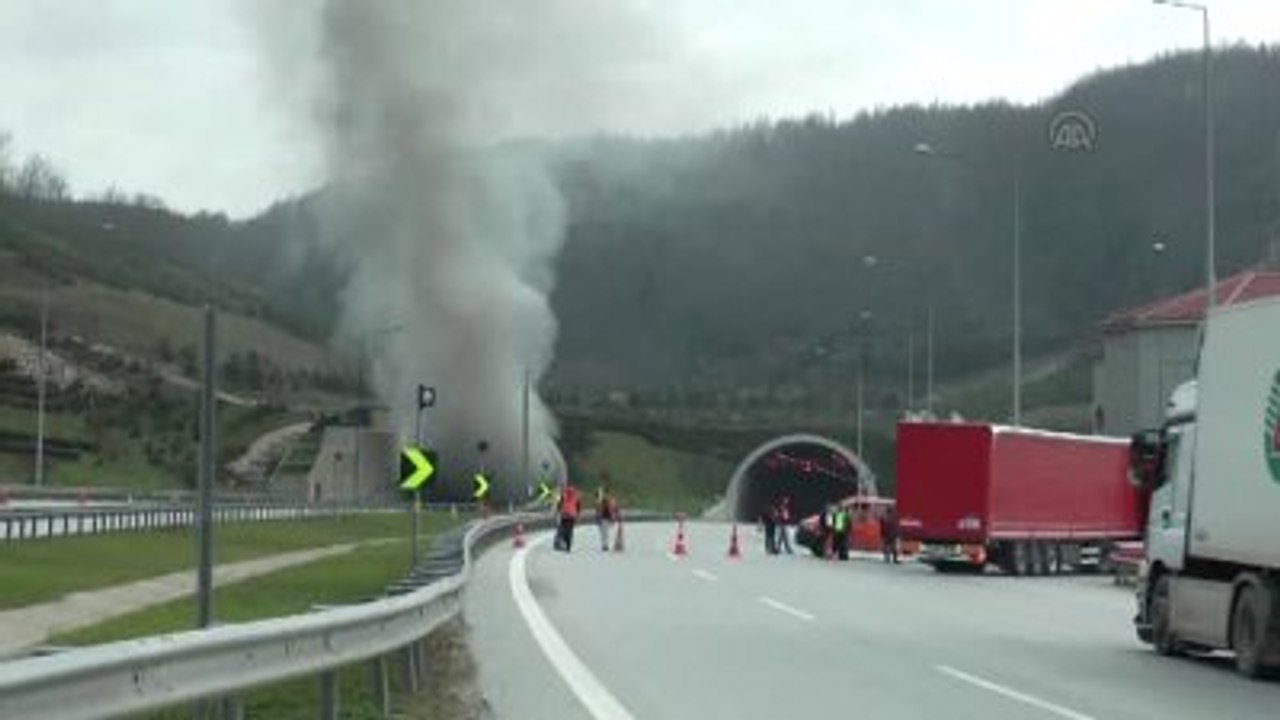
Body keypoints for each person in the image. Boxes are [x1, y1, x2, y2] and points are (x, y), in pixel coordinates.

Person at [555, 483, 581, 552]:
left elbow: (578, 507)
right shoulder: (563, 496)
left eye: (571, 491)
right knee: (564, 531)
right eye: (569, 491)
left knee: (569, 531)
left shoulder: (576, 497)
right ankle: (567, 543)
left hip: (571, 516)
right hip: (564, 516)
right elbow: (559, 505)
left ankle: (568, 545)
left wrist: (578, 515)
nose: (570, 492)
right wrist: (558, 511)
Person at [596, 486, 617, 552]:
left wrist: (613, 518)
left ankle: (605, 545)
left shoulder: (609, 500)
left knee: (604, 532)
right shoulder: (601, 500)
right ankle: (604, 544)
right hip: (603, 518)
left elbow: (614, 509)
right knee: (603, 532)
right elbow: (597, 509)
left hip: (606, 518)